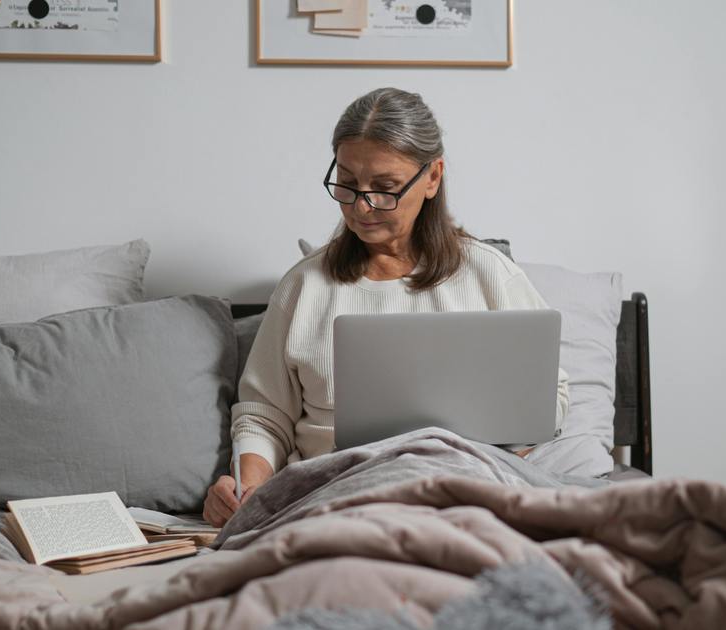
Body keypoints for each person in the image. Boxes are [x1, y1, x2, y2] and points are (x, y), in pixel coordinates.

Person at [202, 87, 568, 527]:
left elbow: (549, 397)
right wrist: (250, 487)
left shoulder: (490, 276)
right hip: (335, 493)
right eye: (347, 183)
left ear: (432, 177)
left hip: (462, 492)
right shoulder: (304, 285)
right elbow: (264, 415)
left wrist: (486, 454)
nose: (361, 205)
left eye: (385, 187)